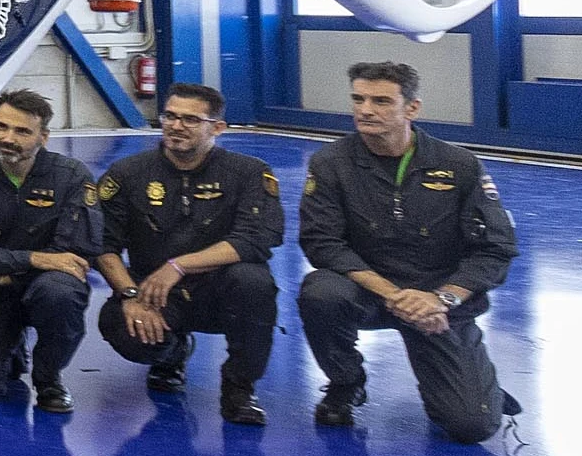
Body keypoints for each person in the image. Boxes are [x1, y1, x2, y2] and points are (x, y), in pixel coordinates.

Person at [298, 62, 521, 442]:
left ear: (412, 108)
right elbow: (323, 243)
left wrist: (442, 298)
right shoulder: (331, 164)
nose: (365, 110)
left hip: (440, 303)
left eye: (381, 101)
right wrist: (396, 296)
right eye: (359, 99)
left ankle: (472, 387)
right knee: (321, 292)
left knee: (471, 426)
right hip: (370, 293)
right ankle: (346, 383)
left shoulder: (459, 165)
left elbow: (495, 249)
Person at [93, 83, 281, 426]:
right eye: (171, 116)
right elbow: (102, 246)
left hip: (220, 291)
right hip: (153, 293)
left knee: (254, 282)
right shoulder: (128, 174)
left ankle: (240, 387)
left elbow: (256, 239)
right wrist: (130, 295)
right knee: (121, 327)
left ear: (217, 127)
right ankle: (172, 353)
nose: (176, 126)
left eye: (191, 120)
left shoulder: (249, 173)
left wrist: (178, 266)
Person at [0, 88, 100, 413]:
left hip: (41, 288)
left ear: (44, 137)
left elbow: (74, 255)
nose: (8, 138)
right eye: (2, 127)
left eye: (22, 131)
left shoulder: (71, 177)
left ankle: (48, 377)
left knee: (60, 294)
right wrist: (35, 258)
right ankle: (11, 347)